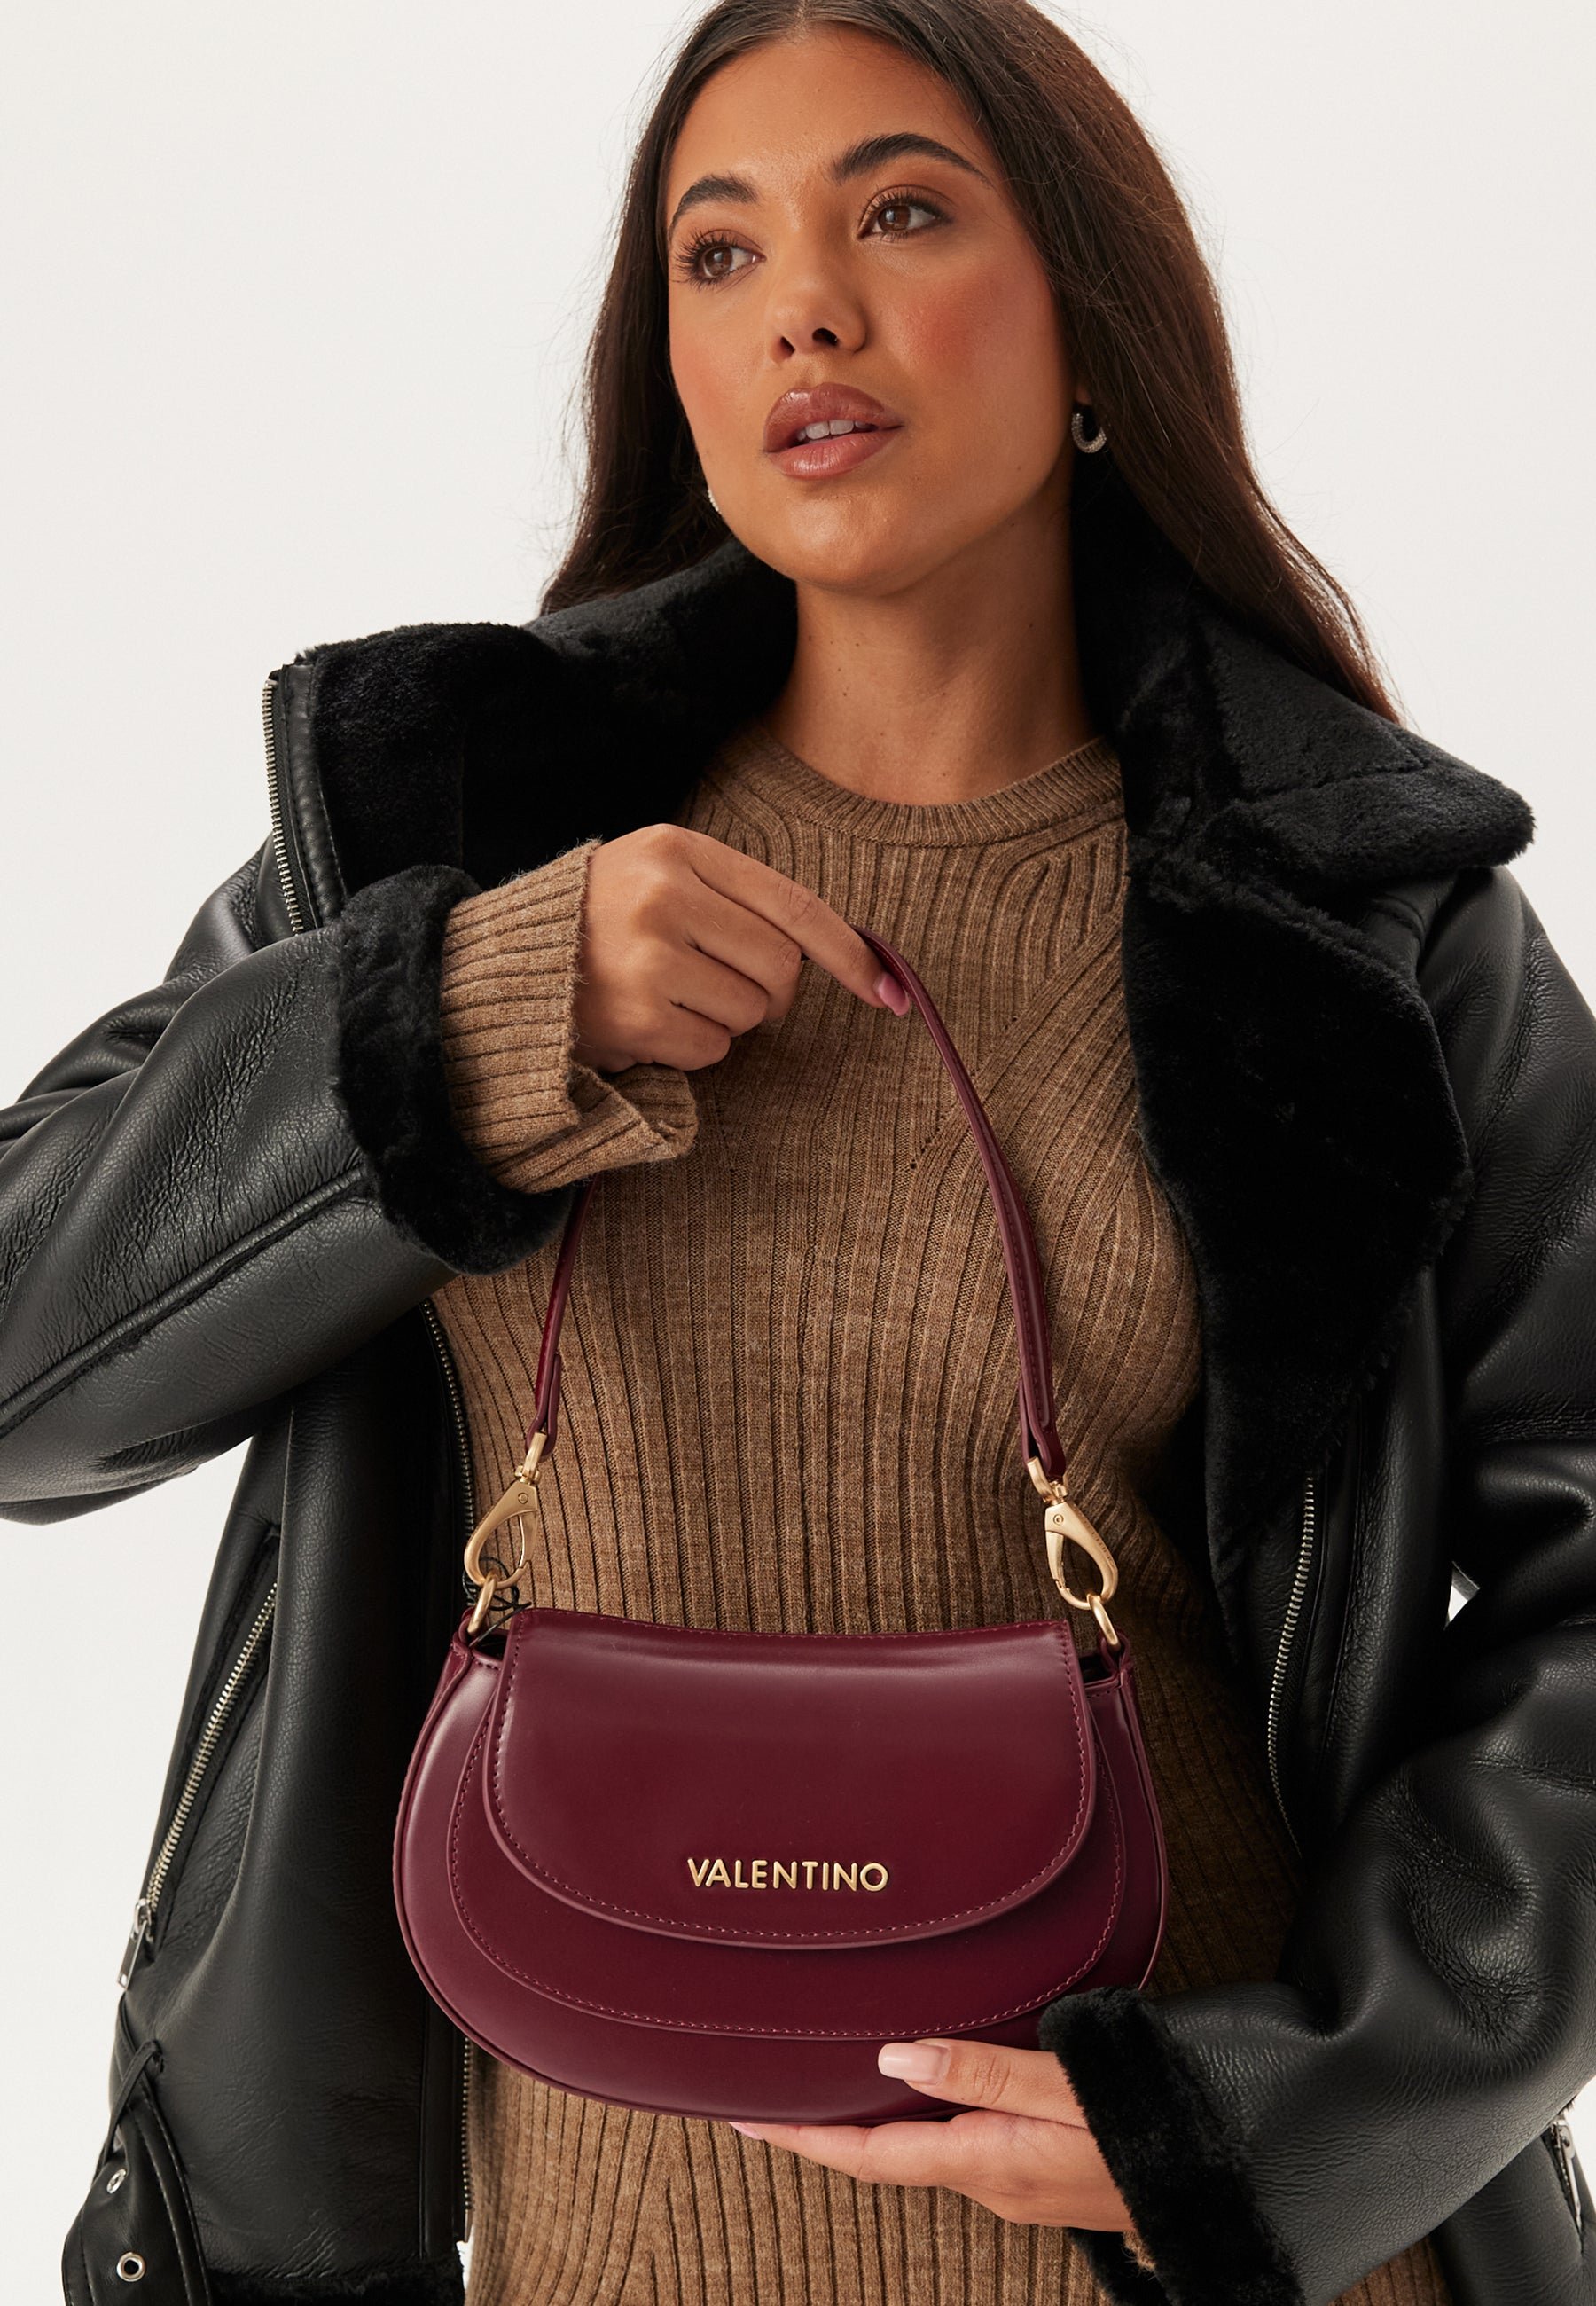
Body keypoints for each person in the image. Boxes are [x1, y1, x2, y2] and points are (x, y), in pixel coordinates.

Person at [12, 2, 1593, 2302]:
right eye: (720, 251)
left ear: (1091, 326)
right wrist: (471, 1019)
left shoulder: (1365, 931)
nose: (807, 310)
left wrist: (1284, 2112)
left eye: (905, 214)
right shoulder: (448, 856)